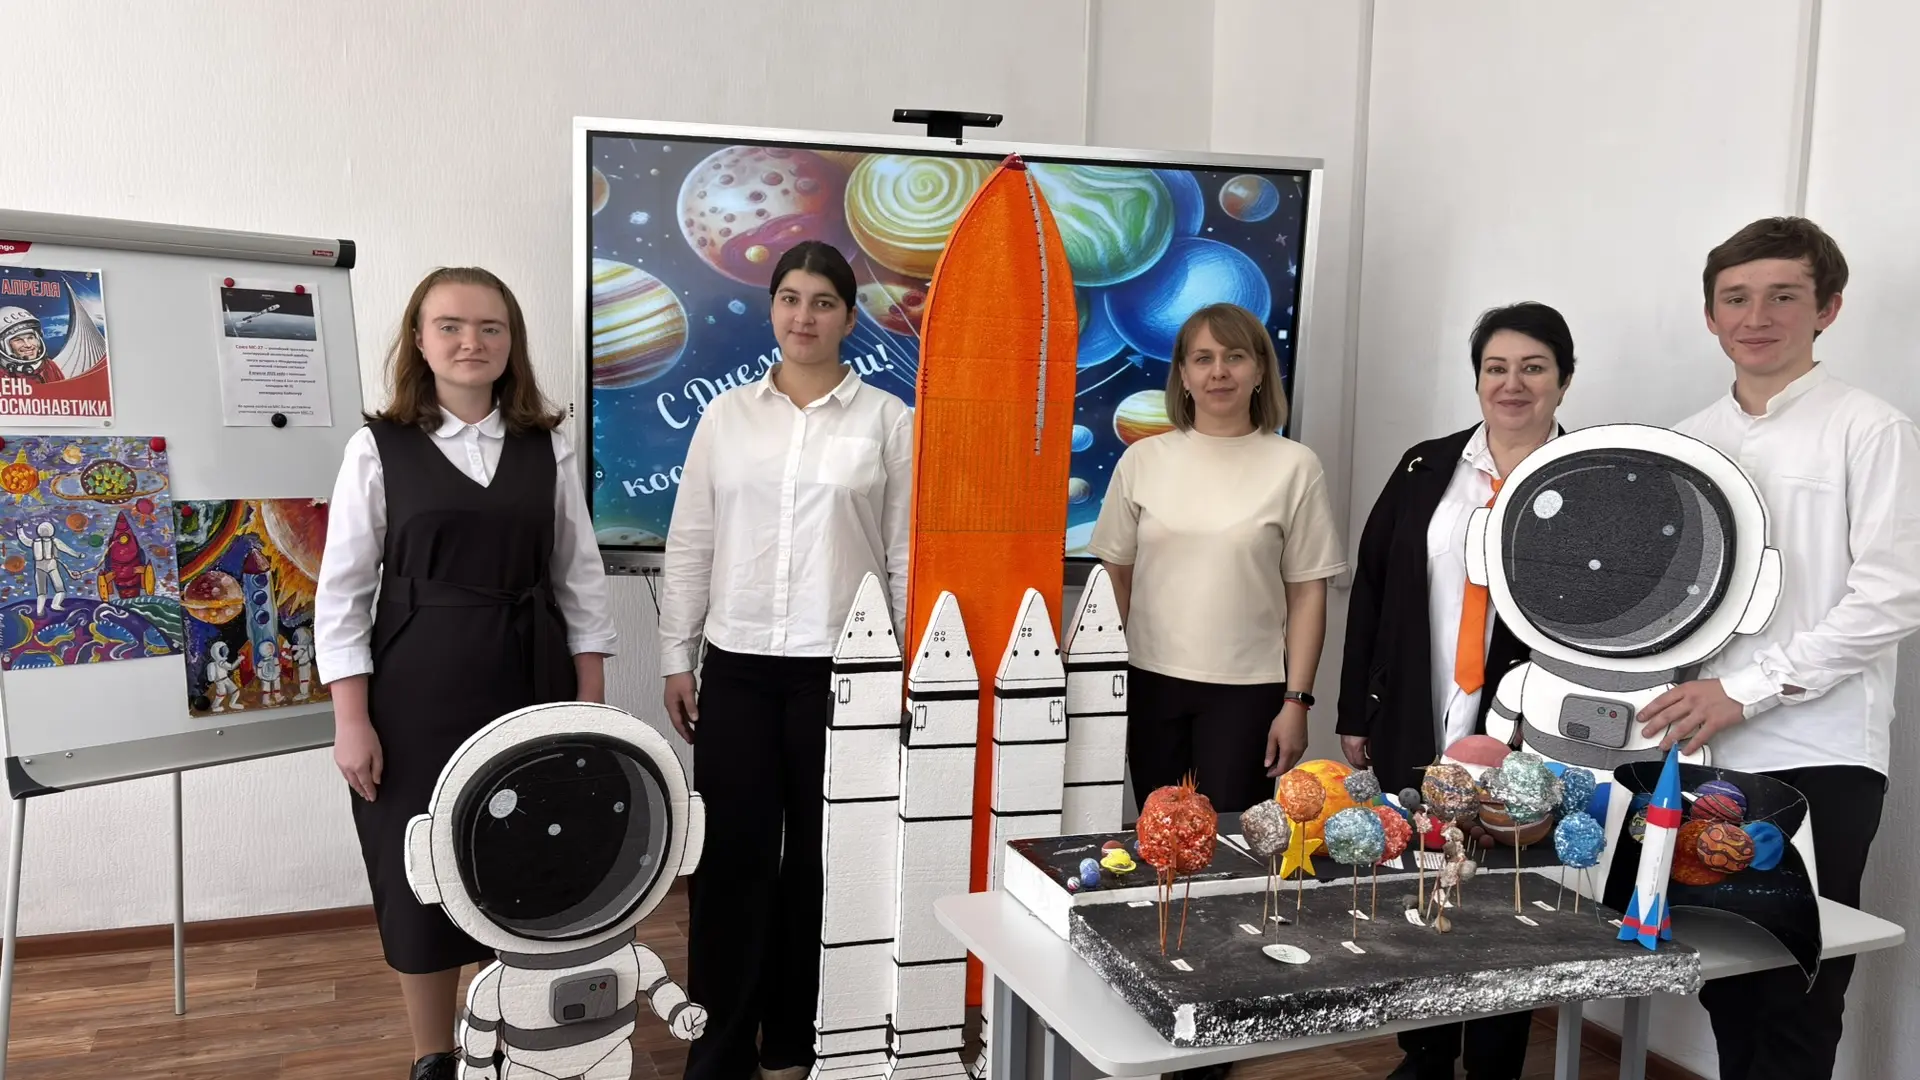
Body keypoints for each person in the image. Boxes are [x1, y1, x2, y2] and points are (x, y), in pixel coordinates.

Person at [315, 267, 617, 1080]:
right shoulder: (377, 447)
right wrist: (351, 719)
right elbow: (342, 593)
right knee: (418, 865)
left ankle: (512, 1043)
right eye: (449, 325)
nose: (470, 342)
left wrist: (591, 706)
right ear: (418, 341)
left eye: (490, 327)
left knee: (523, 861)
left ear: (512, 342)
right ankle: (433, 1054)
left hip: (532, 680)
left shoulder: (546, 445)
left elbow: (580, 581)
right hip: (415, 690)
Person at [1638, 217, 1920, 1080]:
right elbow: (1666, 601)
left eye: (1783, 296)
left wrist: (1748, 688)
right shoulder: (1685, 440)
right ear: (1710, 315)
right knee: (1725, 980)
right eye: (1736, 298)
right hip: (1708, 751)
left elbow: (1894, 593)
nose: (1756, 317)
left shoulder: (1871, 428)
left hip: (1820, 752)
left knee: (1797, 987)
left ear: (1828, 309)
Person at [658, 240, 912, 1080]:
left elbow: (905, 557)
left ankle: (796, 1042)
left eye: (824, 302)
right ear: (772, 308)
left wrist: (904, 669)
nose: (805, 316)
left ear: (849, 316)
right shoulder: (725, 418)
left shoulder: (889, 421)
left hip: (842, 676)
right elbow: (690, 542)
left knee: (820, 862)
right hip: (735, 666)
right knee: (728, 859)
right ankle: (720, 1048)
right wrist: (676, 655)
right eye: (791, 298)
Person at [1337, 301, 1578, 1080]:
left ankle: (1496, 1061)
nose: (1513, 384)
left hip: (1525, 725)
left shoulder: (1592, 482)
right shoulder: (1426, 467)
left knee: (1506, 896)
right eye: (1496, 368)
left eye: (1533, 368)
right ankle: (1426, 1051)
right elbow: (1373, 587)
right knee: (1420, 880)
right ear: (1477, 380)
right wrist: (1355, 708)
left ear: (1564, 380)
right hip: (1422, 708)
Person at [1086, 302, 1346, 817]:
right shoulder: (1142, 461)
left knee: (1230, 845)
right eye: (1203, 358)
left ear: (1260, 370)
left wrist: (1297, 702)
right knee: (1160, 839)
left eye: (1235, 356)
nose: (1219, 371)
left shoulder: (1295, 466)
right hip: (1149, 685)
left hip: (1248, 695)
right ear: (1183, 375)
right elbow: (1116, 581)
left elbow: (1307, 594)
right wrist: (1102, 688)